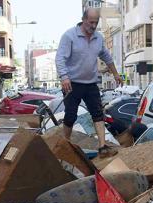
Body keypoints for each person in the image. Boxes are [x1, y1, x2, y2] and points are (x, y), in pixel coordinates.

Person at [56, 7, 122, 155]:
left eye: (96, 22)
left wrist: (116, 74)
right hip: (72, 83)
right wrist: (64, 77)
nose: (93, 26)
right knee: (70, 115)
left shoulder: (98, 38)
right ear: (84, 19)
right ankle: (64, 144)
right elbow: (60, 58)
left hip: (91, 83)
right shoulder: (69, 36)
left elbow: (107, 57)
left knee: (98, 113)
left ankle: (102, 146)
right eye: (91, 22)